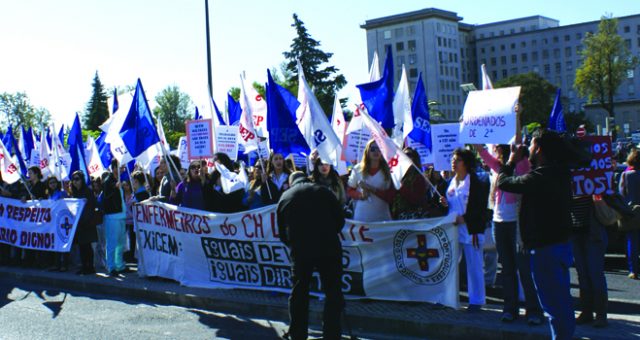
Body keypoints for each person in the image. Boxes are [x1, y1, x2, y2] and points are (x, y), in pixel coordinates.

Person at [498, 129, 575, 340]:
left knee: (553, 306)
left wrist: (511, 161)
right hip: (561, 245)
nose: (528, 148)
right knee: (562, 302)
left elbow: (503, 183)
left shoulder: (539, 177)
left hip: (545, 249)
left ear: (539, 149)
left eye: (531, 144)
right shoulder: (560, 172)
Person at [475, 144, 543, 325]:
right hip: (499, 222)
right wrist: (469, 130)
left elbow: (518, 141)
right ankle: (510, 309)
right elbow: (481, 151)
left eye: (497, 146)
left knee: (524, 268)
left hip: (516, 223)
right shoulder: (498, 168)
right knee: (507, 269)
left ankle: (533, 310)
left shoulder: (521, 166)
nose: (493, 147)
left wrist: (518, 118)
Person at [277, 171, 345, 340]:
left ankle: (298, 333)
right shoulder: (323, 191)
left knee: (300, 291)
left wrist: (294, 243)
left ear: (292, 182)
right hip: (328, 246)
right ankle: (332, 334)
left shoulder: (285, 196)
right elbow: (340, 220)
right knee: (333, 291)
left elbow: (282, 233)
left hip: (301, 250)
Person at [439, 148, 490, 312]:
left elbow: (482, 208)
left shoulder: (477, 182)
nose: (453, 162)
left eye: (457, 160)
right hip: (454, 231)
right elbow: (451, 205)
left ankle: (476, 301)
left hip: (471, 230)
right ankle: (447, 298)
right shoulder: (450, 182)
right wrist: (445, 204)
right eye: (453, 159)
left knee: (474, 265)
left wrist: (465, 219)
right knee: (450, 265)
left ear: (466, 163)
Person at [568, 194, 609, 328]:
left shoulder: (594, 174)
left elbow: (609, 192)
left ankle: (600, 314)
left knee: (595, 273)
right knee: (582, 274)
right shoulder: (569, 177)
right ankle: (586, 312)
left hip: (593, 230)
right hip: (575, 230)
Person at [346, 140, 395, 222]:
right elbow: (350, 190)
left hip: (382, 216)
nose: (376, 151)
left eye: (379, 148)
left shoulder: (389, 170)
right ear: (367, 151)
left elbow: (390, 196)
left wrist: (372, 189)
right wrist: (360, 195)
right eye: (372, 149)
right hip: (362, 215)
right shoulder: (358, 169)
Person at [98, 172, 126, 275]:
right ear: (114, 168)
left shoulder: (118, 180)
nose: (122, 169)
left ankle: (119, 265)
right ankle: (111, 266)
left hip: (121, 215)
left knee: (120, 243)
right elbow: (106, 192)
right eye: (120, 167)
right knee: (112, 243)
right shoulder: (108, 182)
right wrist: (114, 187)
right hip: (112, 217)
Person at [391, 147, 431, 220]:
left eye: (408, 155)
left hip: (415, 218)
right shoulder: (399, 175)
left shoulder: (419, 177)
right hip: (398, 216)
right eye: (403, 154)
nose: (404, 157)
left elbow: (416, 199)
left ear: (414, 159)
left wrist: (401, 187)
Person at [70, 171, 98, 275]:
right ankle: (84, 266)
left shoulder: (87, 191)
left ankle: (90, 267)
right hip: (79, 223)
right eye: (73, 180)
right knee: (81, 246)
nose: (75, 182)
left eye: (77, 179)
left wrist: (87, 201)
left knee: (87, 245)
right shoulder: (74, 192)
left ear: (82, 180)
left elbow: (94, 204)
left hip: (87, 223)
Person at [619, 150, 640, 280]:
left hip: (632, 212)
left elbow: (621, 194)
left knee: (632, 241)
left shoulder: (626, 175)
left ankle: (634, 270)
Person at [46, 176, 70, 271]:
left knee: (63, 242)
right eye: (51, 183)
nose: (53, 184)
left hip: (62, 221)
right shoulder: (49, 195)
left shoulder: (62, 193)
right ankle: (57, 264)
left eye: (54, 182)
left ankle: (64, 264)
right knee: (55, 243)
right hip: (53, 222)